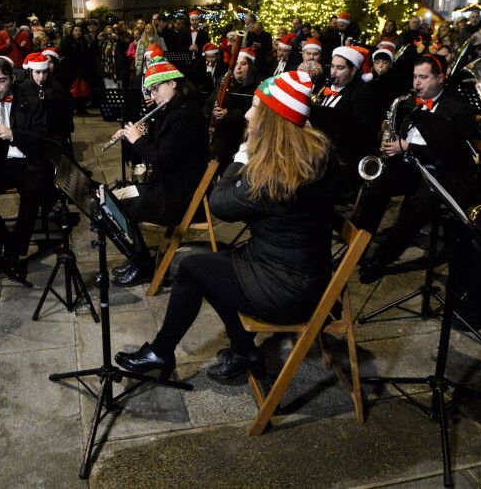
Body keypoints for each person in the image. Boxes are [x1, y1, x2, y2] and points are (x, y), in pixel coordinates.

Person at [115, 70, 337, 380]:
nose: (247, 113)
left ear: (273, 120)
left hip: (286, 288)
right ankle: (240, 349)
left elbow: (220, 203)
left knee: (194, 269)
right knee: (210, 267)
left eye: (256, 107)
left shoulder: (273, 173)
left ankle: (165, 353)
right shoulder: (309, 153)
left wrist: (243, 155)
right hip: (304, 272)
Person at [354, 54, 478, 283]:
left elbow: (453, 154)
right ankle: (357, 247)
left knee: (416, 208)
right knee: (375, 187)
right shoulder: (410, 101)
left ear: (440, 78)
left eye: (423, 77)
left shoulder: (460, 109)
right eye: (414, 77)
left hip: (437, 171)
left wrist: (407, 147)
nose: (416, 83)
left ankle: (381, 260)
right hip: (408, 164)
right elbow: (400, 133)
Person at [110, 58, 210, 287]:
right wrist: (140, 134)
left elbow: (162, 159)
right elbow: (158, 148)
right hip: (167, 185)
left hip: (179, 196)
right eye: (150, 90)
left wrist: (138, 139)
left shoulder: (187, 114)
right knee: (112, 199)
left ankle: (142, 265)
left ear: (173, 83)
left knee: (114, 206)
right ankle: (139, 260)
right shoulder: (173, 108)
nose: (153, 96)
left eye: (156, 89)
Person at [0, 55, 50, 276]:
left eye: (2, 80)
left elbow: (41, 139)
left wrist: (13, 134)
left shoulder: (31, 101)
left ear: (12, 79)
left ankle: (16, 247)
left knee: (35, 187)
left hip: (25, 159)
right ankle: (5, 242)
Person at [310, 45, 378, 172]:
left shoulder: (363, 94)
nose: (333, 72)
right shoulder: (327, 85)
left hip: (341, 157)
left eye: (340, 68)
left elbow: (357, 132)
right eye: (332, 66)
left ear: (353, 70)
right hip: (319, 147)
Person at [206, 47, 258, 163]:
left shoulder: (256, 88)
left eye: (243, 64)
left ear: (250, 67)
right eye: (236, 64)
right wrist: (213, 111)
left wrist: (228, 113)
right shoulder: (226, 83)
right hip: (221, 136)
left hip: (241, 138)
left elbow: (252, 115)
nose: (238, 68)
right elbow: (208, 104)